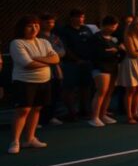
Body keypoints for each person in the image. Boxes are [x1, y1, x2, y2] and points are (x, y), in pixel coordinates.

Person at [9, 15, 60, 154]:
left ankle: (30, 139)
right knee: (23, 110)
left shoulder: (44, 42)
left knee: (37, 109)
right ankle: (15, 141)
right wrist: (46, 61)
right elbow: (27, 64)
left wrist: (37, 58)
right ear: (22, 28)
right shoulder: (17, 43)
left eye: (36, 25)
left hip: (44, 81)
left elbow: (56, 58)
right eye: (30, 26)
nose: (34, 28)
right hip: (24, 81)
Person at [58, 8, 94, 120]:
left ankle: (84, 110)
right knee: (69, 88)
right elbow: (65, 48)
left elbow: (92, 43)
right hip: (71, 64)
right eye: (78, 17)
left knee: (86, 87)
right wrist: (76, 59)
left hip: (87, 63)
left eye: (82, 17)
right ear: (72, 18)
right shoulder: (65, 31)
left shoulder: (87, 29)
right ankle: (72, 112)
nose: (81, 19)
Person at [85, 16, 122, 127]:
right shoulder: (96, 38)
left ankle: (103, 114)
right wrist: (113, 52)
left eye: (115, 26)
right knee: (101, 91)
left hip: (113, 67)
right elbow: (97, 53)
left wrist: (117, 51)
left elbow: (120, 51)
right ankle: (94, 117)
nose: (114, 28)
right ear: (105, 25)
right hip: (101, 67)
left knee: (109, 92)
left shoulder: (113, 38)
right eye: (112, 25)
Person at [37, 13, 65, 126]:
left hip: (56, 70)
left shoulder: (55, 37)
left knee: (55, 94)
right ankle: (39, 119)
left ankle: (51, 116)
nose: (50, 24)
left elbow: (62, 52)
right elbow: (41, 53)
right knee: (42, 96)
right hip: (42, 71)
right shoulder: (37, 37)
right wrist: (51, 56)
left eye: (52, 22)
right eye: (47, 22)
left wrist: (53, 55)